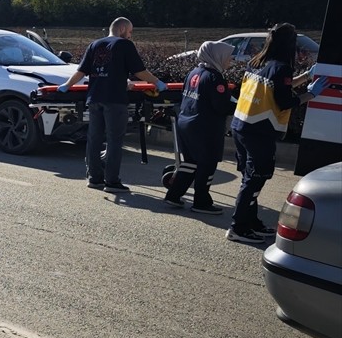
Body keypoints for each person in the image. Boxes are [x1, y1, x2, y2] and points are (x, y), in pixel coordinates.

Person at [228, 23, 328, 243]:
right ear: (290, 44)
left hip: (241, 126)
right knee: (255, 179)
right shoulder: (282, 66)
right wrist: (311, 95)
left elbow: (276, 88)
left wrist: (304, 78)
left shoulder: (256, 61)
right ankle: (238, 227)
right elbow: (284, 102)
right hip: (259, 131)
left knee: (249, 178)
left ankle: (251, 222)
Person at [56, 17, 166, 193]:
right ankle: (112, 181)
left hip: (94, 98)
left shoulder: (94, 45)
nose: (130, 36)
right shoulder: (124, 45)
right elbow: (139, 71)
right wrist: (158, 82)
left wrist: (67, 85)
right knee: (114, 140)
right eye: (130, 32)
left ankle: (94, 178)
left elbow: (82, 71)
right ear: (122, 29)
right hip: (115, 100)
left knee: (94, 138)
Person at [162, 41, 234, 214]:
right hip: (205, 127)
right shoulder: (215, 77)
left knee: (190, 162)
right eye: (229, 56)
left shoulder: (194, 72)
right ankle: (201, 202)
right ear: (218, 56)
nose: (231, 60)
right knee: (208, 163)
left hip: (186, 123)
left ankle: (174, 195)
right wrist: (239, 106)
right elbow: (221, 106)